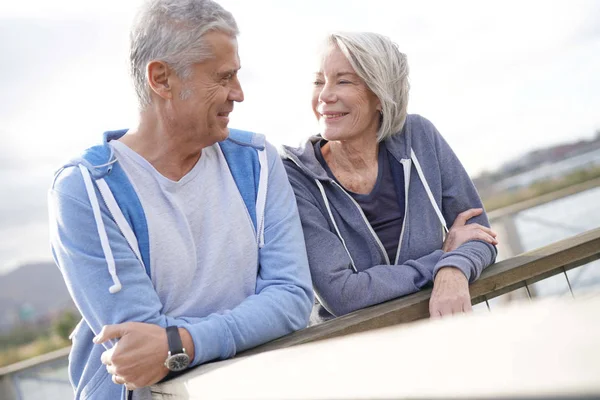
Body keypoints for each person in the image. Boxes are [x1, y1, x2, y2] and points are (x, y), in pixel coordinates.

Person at [48, 1, 313, 398]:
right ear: (161, 78)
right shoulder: (85, 190)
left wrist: (180, 343)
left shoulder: (257, 161)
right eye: (224, 78)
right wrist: (250, 320)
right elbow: (138, 351)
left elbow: (291, 299)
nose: (238, 94)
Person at [282, 31, 497, 324]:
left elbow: (479, 235)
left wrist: (454, 269)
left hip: (445, 334)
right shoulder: (296, 176)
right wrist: (442, 258)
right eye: (319, 81)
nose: (325, 95)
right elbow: (343, 294)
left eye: (342, 81)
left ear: (380, 96)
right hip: (357, 353)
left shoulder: (419, 137)